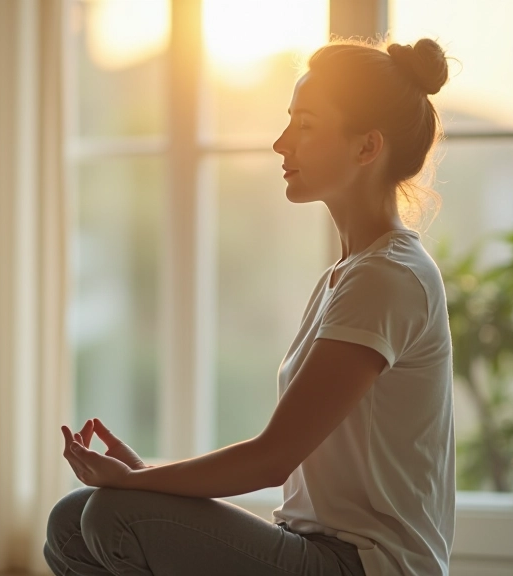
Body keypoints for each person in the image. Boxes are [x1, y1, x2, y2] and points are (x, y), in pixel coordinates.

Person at [44, 37, 455, 576]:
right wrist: (144, 478)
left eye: (305, 125)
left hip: (365, 567)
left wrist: (136, 484)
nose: (282, 143)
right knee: (72, 521)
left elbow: (271, 458)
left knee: (111, 516)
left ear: (366, 147)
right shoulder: (350, 273)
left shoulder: (388, 277)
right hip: (314, 547)